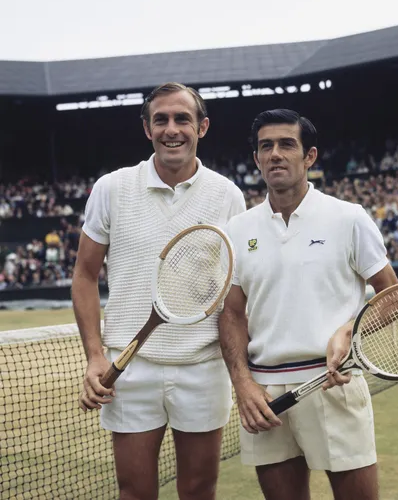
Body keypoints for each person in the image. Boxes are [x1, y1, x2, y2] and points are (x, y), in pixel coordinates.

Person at [72, 82, 246, 500]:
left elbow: (236, 293)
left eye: (182, 119)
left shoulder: (228, 196)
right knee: (134, 492)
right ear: (146, 129)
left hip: (203, 368)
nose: (172, 129)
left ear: (202, 127)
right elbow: (84, 274)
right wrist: (96, 357)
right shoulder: (112, 188)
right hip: (130, 371)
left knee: (199, 490)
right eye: (161, 119)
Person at [219, 109, 398, 500]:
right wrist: (242, 384)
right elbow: (231, 313)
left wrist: (350, 332)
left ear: (310, 156)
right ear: (256, 159)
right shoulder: (238, 229)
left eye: (287, 144)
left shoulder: (348, 217)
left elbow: (393, 298)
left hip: (334, 382)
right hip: (264, 394)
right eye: (266, 146)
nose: (275, 154)